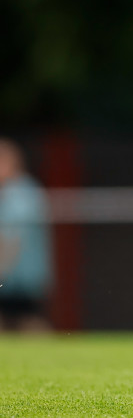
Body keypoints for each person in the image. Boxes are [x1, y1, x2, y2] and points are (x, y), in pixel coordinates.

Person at [0, 139, 52, 332]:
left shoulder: (20, 195)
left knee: (27, 322)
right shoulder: (12, 193)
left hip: (20, 278)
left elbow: (12, 239)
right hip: (14, 278)